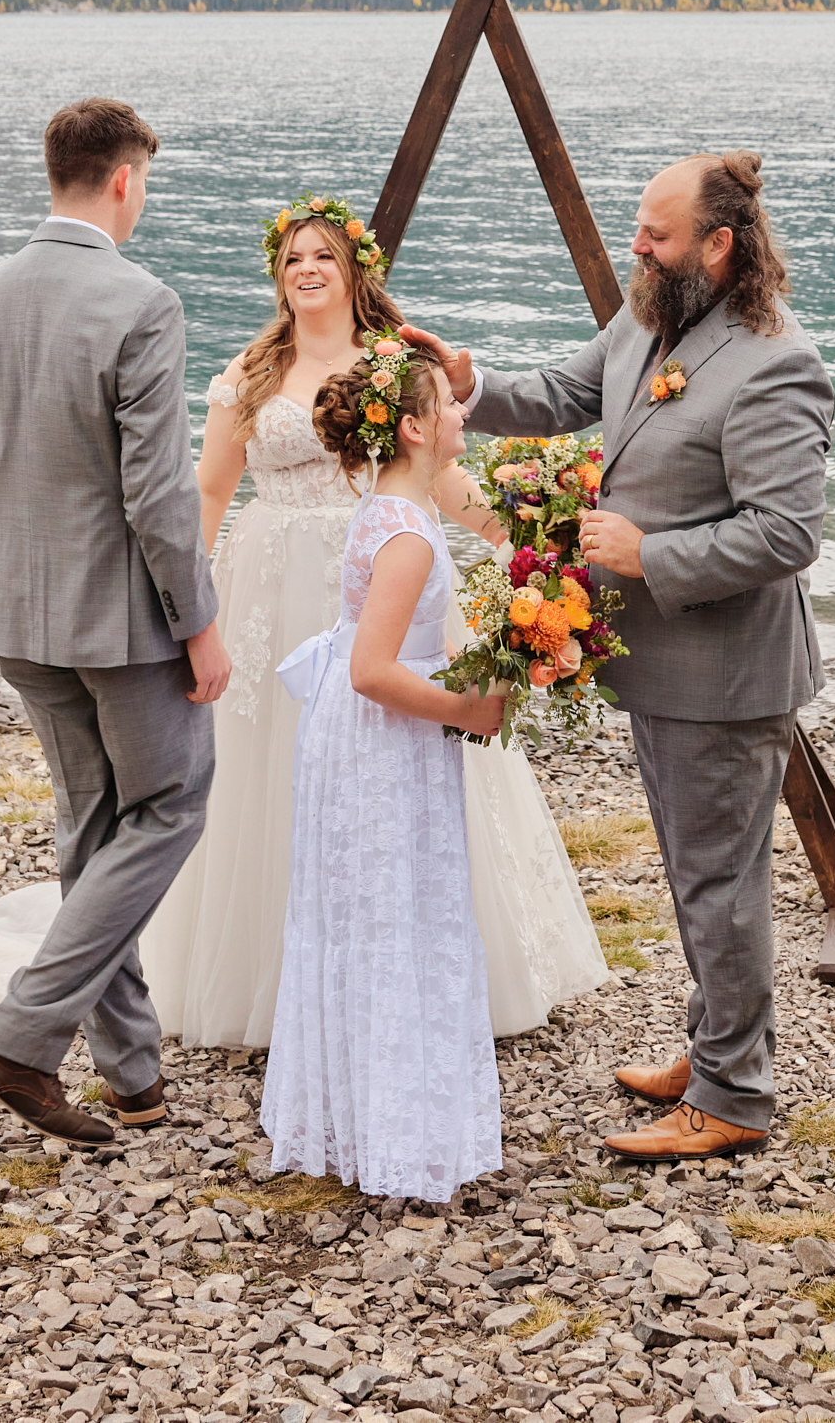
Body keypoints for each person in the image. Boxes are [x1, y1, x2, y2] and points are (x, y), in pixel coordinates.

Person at [404, 148, 835, 1161]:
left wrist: (650, 552)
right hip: (661, 665)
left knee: (718, 885)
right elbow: (566, 389)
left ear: (719, 246)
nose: (634, 244)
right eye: (638, 225)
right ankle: (716, 1047)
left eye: (657, 231)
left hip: (726, 675)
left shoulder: (777, 362)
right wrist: (473, 381)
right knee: (699, 876)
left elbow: (788, 532)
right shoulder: (651, 313)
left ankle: (733, 1098)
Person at [142, 190, 605, 1047]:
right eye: (293, 259)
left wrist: (524, 545)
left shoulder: (392, 363)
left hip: (384, 576)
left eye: (323, 256)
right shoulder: (248, 373)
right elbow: (208, 491)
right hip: (269, 589)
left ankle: (415, 963)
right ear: (279, 279)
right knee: (269, 768)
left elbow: (437, 476)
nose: (307, 270)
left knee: (402, 766)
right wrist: (191, 613)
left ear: (356, 269)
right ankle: (275, 977)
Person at [0, 97, 228, 1145]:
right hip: (125, 628)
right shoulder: (140, 301)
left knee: (94, 828)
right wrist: (198, 619)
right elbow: (156, 494)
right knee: (170, 808)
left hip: (18, 613)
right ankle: (17, 1042)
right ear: (121, 180)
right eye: (143, 180)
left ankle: (134, 1076)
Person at [261, 347, 505, 1200]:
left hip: (372, 736)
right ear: (411, 426)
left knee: (376, 913)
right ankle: (393, 1135)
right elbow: (372, 668)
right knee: (389, 915)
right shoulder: (402, 534)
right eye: (450, 403)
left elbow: (413, 643)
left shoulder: (398, 507)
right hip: (379, 739)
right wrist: (470, 709)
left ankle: (372, 1118)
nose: (463, 414)